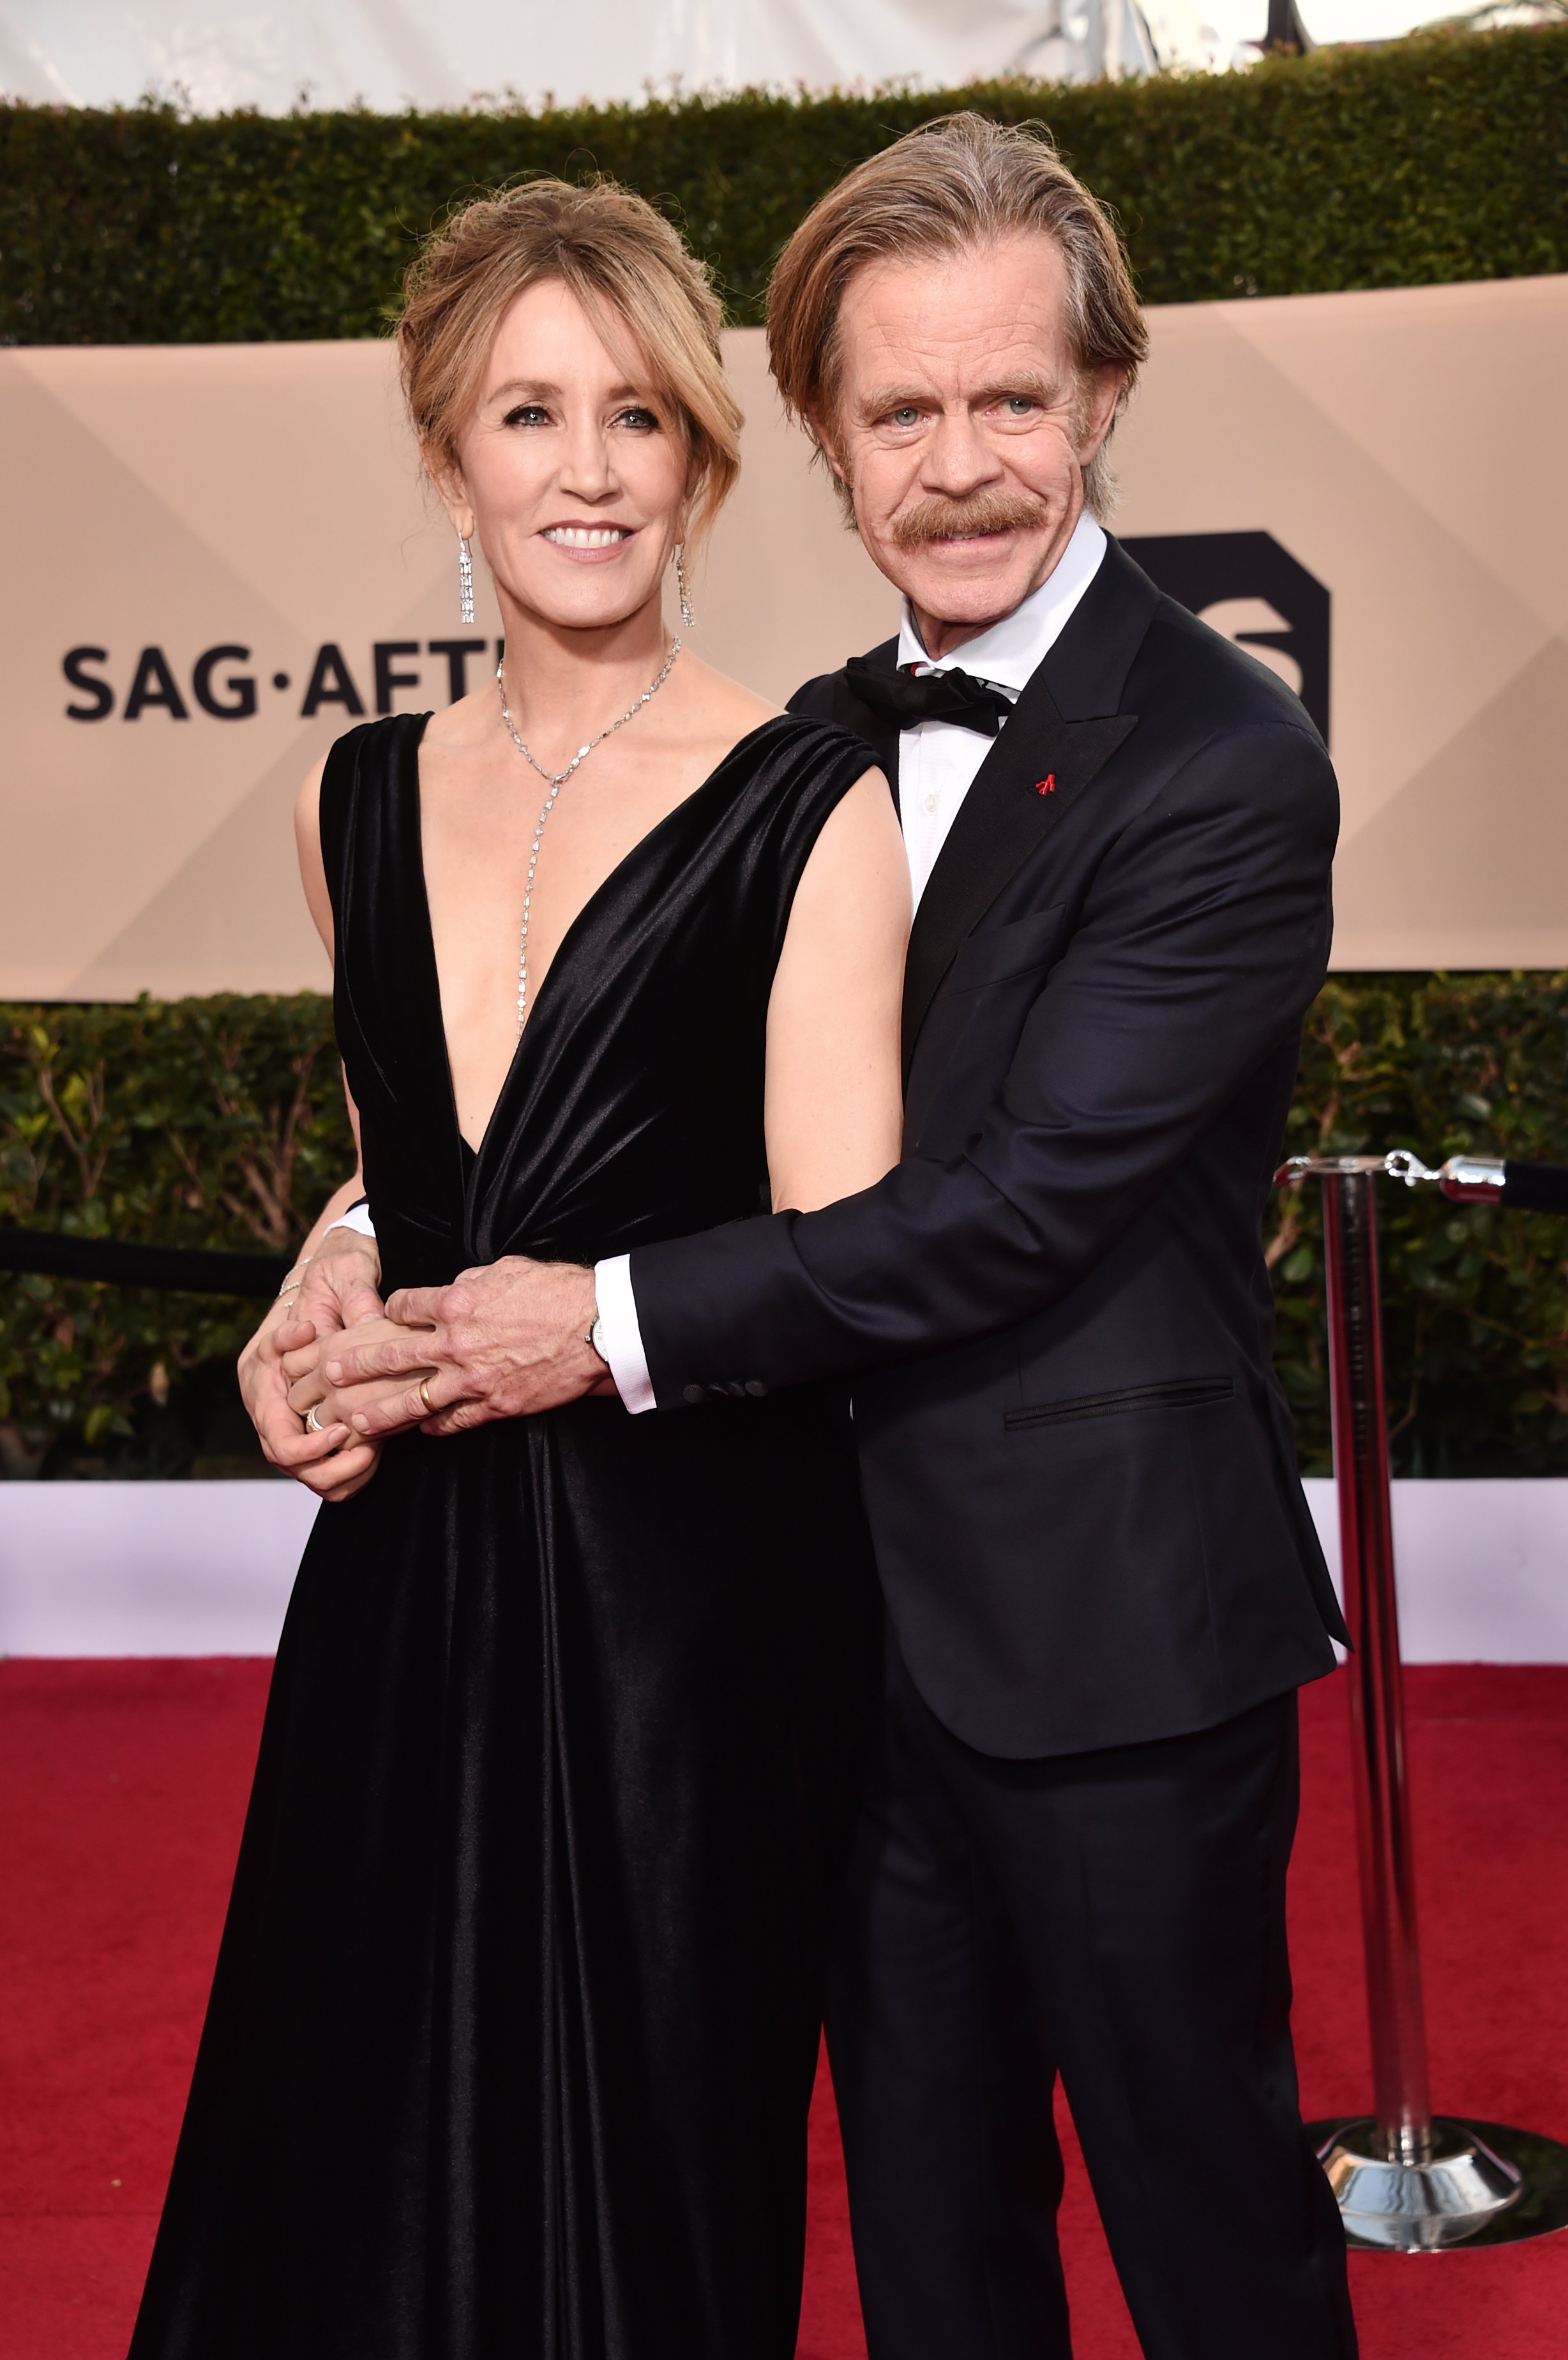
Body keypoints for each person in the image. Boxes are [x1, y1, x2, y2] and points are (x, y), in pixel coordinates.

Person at [322, 116, 1360, 2357]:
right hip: (827, 1635)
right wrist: (360, 1242)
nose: (965, 462)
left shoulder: (1223, 760)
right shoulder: (804, 751)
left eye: (1013, 400)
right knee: (923, 2250)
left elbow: (1015, 1210)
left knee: (1211, 2244)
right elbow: (608, 1102)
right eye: (902, 409)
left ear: (1102, 400)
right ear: (817, 435)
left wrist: (590, 1325)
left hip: (1108, 1654)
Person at [128, 177, 909, 2360]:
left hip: (692, 1616)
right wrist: (330, 1281)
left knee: (645, 2182)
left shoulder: (808, 798)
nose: (587, 469)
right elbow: (410, 1171)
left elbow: (839, 1270)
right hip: (401, 1589)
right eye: (529, 415)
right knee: (350, 2149)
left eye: (639, 417)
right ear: (446, 460)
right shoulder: (345, 800)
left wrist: (591, 1339)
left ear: (703, 459)